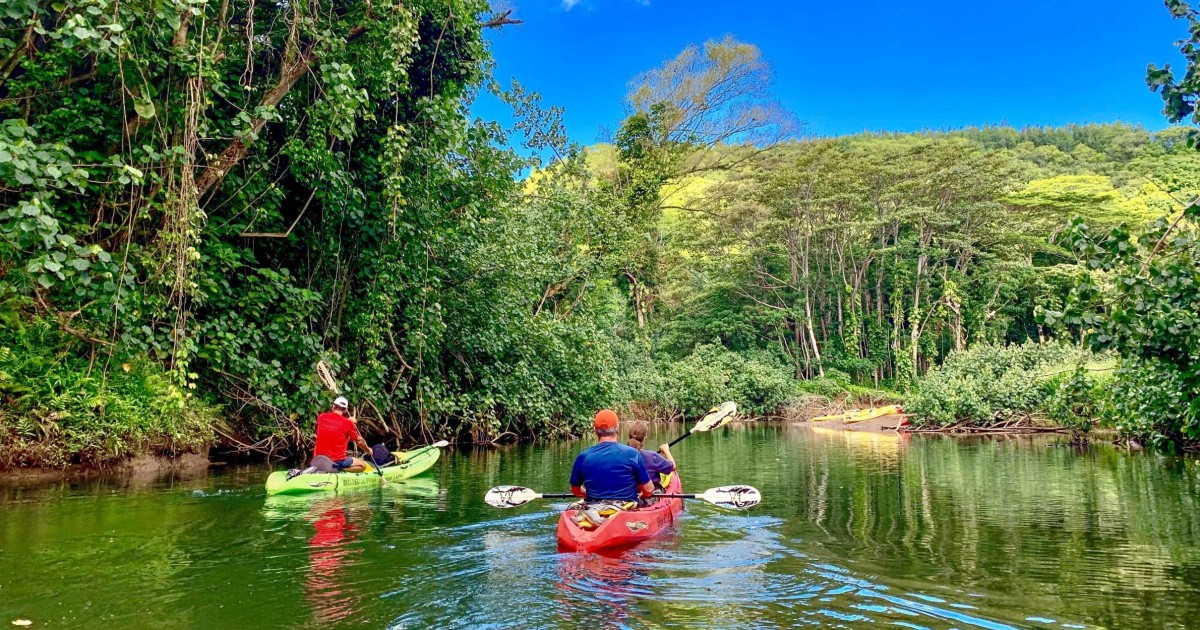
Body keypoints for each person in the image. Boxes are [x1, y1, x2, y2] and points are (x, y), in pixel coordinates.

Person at [570, 409, 654, 503]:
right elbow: (649, 490)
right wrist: (641, 496)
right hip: (625, 508)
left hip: (593, 507)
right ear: (617, 429)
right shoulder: (633, 454)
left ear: (595, 431)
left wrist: (587, 493)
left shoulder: (583, 457)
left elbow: (575, 490)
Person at [312, 397, 372, 472]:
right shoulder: (348, 424)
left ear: (333, 406)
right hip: (335, 461)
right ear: (345, 410)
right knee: (362, 465)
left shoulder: (321, 417)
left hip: (319, 459)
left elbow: (335, 424)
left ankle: (331, 468)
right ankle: (338, 469)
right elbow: (359, 441)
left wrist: (349, 422)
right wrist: (368, 450)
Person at [626, 421, 676, 491]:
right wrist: (666, 451)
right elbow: (673, 467)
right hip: (651, 494)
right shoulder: (652, 456)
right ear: (644, 438)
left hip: (630, 494)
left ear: (629, 436)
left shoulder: (621, 455)